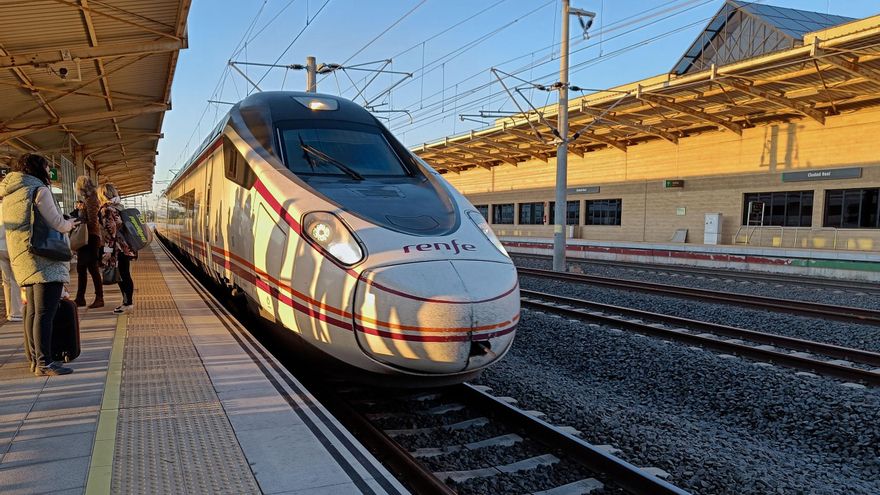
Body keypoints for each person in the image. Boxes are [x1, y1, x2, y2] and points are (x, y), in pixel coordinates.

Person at [1, 153, 79, 376]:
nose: (48, 172)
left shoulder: (10, 193)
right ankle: (44, 363)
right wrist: (70, 223)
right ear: (37, 169)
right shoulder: (39, 190)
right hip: (44, 258)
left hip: (23, 256)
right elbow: (56, 223)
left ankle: (35, 359)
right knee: (45, 314)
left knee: (33, 312)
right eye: (46, 167)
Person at [98, 183, 135, 314]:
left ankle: (127, 303)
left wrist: (107, 251)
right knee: (125, 274)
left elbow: (110, 231)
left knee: (121, 275)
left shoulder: (107, 209)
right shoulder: (119, 206)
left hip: (116, 249)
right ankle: (127, 302)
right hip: (125, 246)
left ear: (102, 194)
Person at [73, 178, 103, 308]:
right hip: (87, 238)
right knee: (82, 268)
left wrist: (80, 219)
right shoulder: (89, 199)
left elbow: (92, 221)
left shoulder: (91, 200)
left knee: (92, 268)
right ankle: (80, 298)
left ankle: (99, 298)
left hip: (90, 238)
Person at [0, 198, 23, 322]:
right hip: (12, 246)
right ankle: (16, 312)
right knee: (15, 279)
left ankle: (9, 312)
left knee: (6, 280)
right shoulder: (12, 205)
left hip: (0, 247)